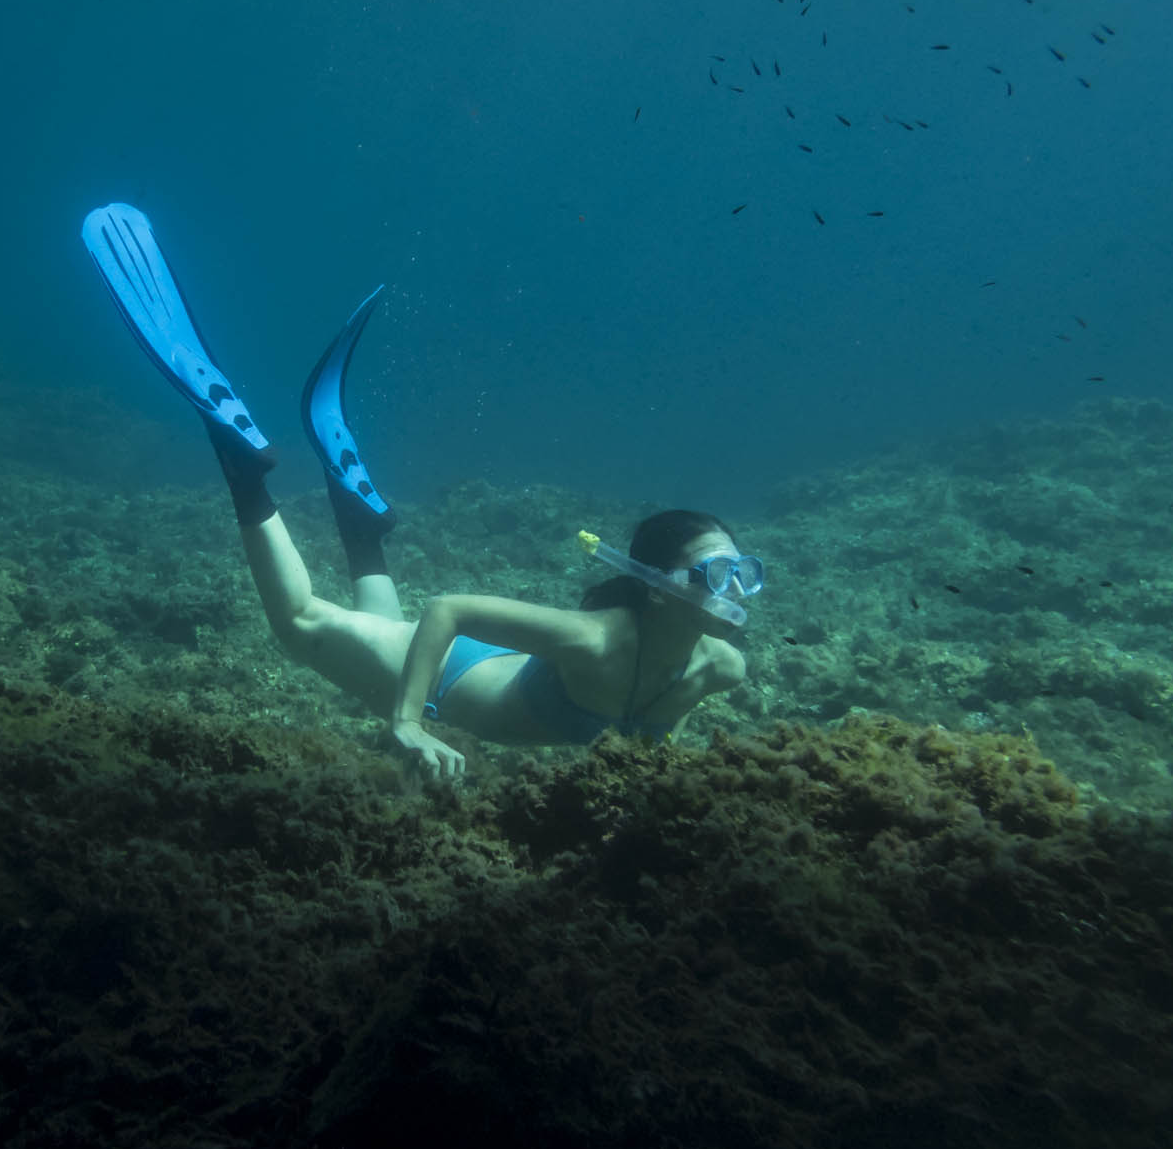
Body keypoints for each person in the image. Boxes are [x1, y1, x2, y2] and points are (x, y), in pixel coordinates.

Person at [82, 203, 762, 779]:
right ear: (653, 583)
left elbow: (649, 735)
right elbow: (449, 609)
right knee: (299, 625)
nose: (736, 593)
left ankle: (359, 523)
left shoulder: (720, 668)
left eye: (746, 574)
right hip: (455, 678)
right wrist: (410, 720)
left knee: (383, 631)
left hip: (489, 669)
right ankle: (240, 459)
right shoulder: (596, 639)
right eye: (718, 575)